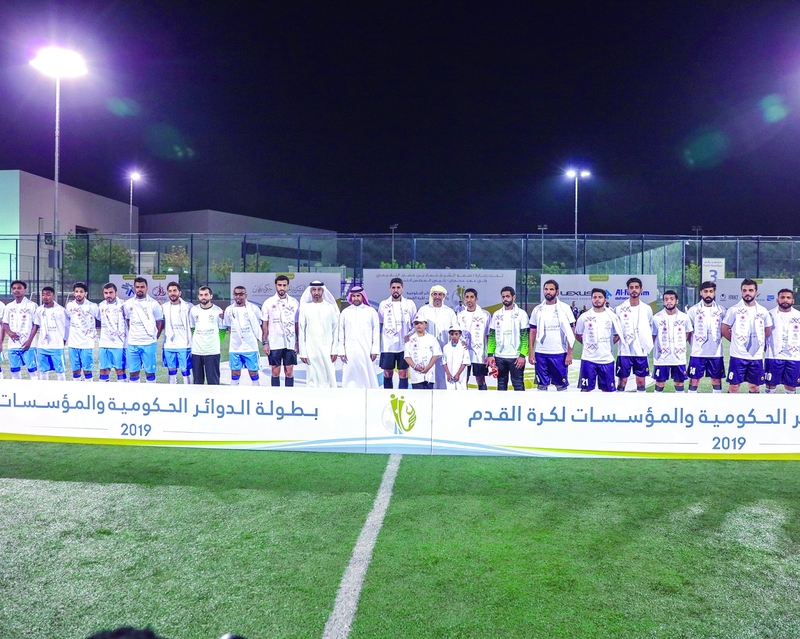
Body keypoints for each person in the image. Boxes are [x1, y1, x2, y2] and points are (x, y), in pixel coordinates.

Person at [721, 278, 773, 394]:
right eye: (744, 290)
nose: (747, 293)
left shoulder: (763, 311)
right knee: (734, 386)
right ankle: (729, 406)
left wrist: (758, 341)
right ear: (741, 292)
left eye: (750, 290)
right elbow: (724, 329)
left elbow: (768, 329)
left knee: (754, 387)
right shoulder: (734, 310)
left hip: (756, 356)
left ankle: (753, 406)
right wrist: (736, 341)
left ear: (756, 292)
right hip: (738, 355)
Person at [528, 279, 575, 391]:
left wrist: (569, 353)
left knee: (561, 386)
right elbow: (532, 332)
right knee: (541, 385)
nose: (548, 292)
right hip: (541, 353)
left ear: (557, 291)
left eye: (551, 289)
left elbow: (571, 332)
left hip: (559, 353)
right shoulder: (537, 309)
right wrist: (531, 352)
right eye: (546, 289)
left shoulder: (565, 308)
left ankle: (562, 403)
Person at [575, 288, 623, 392]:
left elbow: (618, 334)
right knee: (586, 391)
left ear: (605, 299)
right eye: (595, 297)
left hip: (606, 359)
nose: (597, 299)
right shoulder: (584, 317)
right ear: (591, 299)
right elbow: (578, 334)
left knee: (608, 392)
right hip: (588, 359)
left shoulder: (612, 317)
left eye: (600, 297)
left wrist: (608, 344)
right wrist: (588, 344)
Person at [614, 277, 653, 392]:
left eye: (636, 287)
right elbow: (616, 331)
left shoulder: (647, 309)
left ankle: (641, 402)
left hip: (640, 350)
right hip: (624, 350)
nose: (634, 290)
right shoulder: (619, 309)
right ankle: (620, 401)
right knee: (622, 381)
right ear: (628, 290)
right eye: (631, 288)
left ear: (641, 290)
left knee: (641, 381)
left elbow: (650, 327)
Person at [686, 281, 726, 393]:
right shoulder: (693, 310)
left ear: (714, 293)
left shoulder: (721, 310)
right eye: (705, 291)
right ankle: (691, 402)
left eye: (711, 291)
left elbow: (725, 329)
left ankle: (716, 402)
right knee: (694, 380)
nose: (708, 294)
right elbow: (688, 331)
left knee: (716, 380)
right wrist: (694, 344)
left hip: (716, 353)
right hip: (697, 353)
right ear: (701, 293)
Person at [486, 286, 529, 391]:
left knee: (518, 384)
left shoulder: (522, 314)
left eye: (508, 296)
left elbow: (525, 337)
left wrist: (522, 355)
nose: (505, 299)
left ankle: (520, 402)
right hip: (499, 356)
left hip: (516, 356)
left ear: (514, 297)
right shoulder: (497, 314)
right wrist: (490, 354)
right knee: (501, 384)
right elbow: (492, 336)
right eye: (503, 297)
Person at [298, 280, 340, 388]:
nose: (316, 292)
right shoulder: (305, 308)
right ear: (310, 291)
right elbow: (301, 331)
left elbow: (336, 330)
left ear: (323, 291)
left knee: (328, 375)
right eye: (314, 290)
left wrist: (334, 350)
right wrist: (303, 352)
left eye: (319, 290)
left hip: (328, 348)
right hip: (311, 348)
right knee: (313, 375)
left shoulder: (330, 307)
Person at [337, 285, 380, 388]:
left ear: (362, 296)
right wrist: (341, 351)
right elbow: (341, 333)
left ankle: (368, 393)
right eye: (353, 296)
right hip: (350, 350)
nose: (356, 298)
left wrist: (374, 350)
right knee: (349, 373)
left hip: (366, 350)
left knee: (367, 374)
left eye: (358, 296)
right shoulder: (345, 312)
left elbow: (376, 333)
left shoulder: (371, 311)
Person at [123, 277, 164, 383]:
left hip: (149, 343)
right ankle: (135, 393)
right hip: (133, 344)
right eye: (137, 287)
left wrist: (154, 337)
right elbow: (128, 321)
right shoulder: (128, 304)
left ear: (147, 288)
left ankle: (150, 393)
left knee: (150, 373)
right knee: (133, 373)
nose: (139, 289)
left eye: (142, 287)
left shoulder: (154, 304)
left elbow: (159, 322)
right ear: (134, 288)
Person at [378, 277, 417, 390]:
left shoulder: (409, 304)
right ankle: (387, 396)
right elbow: (380, 323)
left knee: (403, 373)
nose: (396, 290)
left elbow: (415, 323)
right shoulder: (384, 304)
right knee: (387, 372)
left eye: (398, 287)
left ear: (402, 289)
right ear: (390, 289)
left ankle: (403, 396)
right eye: (393, 287)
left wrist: (410, 335)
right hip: (388, 345)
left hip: (404, 345)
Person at [416, 285, 458, 388]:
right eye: (435, 294)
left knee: (442, 373)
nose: (437, 297)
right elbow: (417, 326)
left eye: (440, 294)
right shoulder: (423, 310)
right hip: (426, 348)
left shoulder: (449, 312)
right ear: (431, 295)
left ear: (444, 296)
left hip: (444, 347)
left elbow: (455, 329)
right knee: (427, 372)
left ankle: (442, 395)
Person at [261, 274, 299, 387]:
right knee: (275, 371)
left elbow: (297, 324)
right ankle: (275, 395)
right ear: (275, 286)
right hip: (274, 342)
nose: (282, 287)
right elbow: (265, 325)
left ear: (288, 286)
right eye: (279, 285)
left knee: (289, 372)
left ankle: (289, 394)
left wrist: (298, 341)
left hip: (290, 342)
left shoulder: (294, 303)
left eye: (284, 285)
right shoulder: (268, 303)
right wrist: (265, 342)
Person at [651, 290, 693, 392]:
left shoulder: (684, 317)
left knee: (679, 383)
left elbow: (688, 333)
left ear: (676, 301)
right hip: (661, 358)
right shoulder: (656, 318)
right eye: (666, 299)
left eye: (671, 299)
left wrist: (680, 346)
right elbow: (653, 335)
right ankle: (656, 402)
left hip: (679, 358)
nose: (669, 301)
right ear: (663, 302)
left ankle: (679, 402)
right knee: (660, 383)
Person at [224, 285, 263, 386]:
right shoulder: (229, 310)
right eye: (236, 294)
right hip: (235, 348)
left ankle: (257, 393)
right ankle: (234, 393)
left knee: (253, 373)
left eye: (241, 294)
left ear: (246, 295)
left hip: (250, 347)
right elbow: (228, 327)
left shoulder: (254, 309)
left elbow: (258, 325)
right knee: (235, 373)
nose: (238, 297)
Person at [764, 288, 800, 394]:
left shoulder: (798, 315)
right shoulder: (769, 315)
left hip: (794, 356)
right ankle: (768, 404)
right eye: (782, 297)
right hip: (773, 356)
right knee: (770, 386)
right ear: (777, 300)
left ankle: (788, 405)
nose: (785, 300)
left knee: (791, 386)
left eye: (788, 297)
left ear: (793, 300)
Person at [2, 280, 38, 380]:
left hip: (28, 344)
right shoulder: (9, 306)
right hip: (13, 345)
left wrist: (29, 341)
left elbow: (36, 325)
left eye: (19, 288)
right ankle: (17, 389)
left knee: (33, 371)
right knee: (14, 371)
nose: (16, 290)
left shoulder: (32, 305)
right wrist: (10, 333)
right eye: (14, 288)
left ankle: (35, 389)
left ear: (25, 290)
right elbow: (5, 323)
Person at [457, 288, 491, 390]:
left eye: (472, 297)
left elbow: (489, 335)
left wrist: (489, 354)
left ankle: (483, 398)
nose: (469, 300)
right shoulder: (460, 315)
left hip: (479, 354)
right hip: (463, 353)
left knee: (480, 379)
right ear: (464, 299)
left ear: (476, 299)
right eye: (467, 297)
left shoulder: (485, 315)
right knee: (464, 379)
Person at [32, 286, 68, 380]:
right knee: (43, 371)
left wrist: (63, 341)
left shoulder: (61, 310)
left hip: (56, 346)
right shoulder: (39, 309)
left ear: (53, 296)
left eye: (48, 295)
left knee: (60, 371)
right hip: (42, 345)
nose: (45, 297)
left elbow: (67, 327)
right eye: (43, 295)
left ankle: (63, 388)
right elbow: (36, 325)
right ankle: (44, 388)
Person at [189, 286, 224, 385]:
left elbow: (222, 330)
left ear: (211, 296)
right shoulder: (194, 310)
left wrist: (215, 342)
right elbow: (192, 328)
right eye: (201, 295)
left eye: (206, 294)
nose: (203, 297)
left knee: (213, 382)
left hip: (212, 351)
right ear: (198, 296)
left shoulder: (218, 311)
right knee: (197, 382)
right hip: (197, 351)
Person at [66, 281, 99, 381]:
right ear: (73, 293)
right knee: (75, 371)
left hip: (86, 344)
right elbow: (67, 321)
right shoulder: (69, 306)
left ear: (86, 293)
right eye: (76, 291)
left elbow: (101, 318)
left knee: (87, 371)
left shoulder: (92, 306)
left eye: (81, 291)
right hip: (73, 344)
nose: (78, 294)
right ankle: (77, 389)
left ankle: (89, 389)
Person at [162, 281, 193, 384]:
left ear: (180, 292)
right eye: (170, 291)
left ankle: (188, 391)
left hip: (184, 345)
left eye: (174, 290)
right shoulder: (164, 307)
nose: (172, 293)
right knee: (171, 372)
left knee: (185, 371)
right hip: (169, 345)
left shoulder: (188, 307)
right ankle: (172, 391)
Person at [97, 283, 128, 382]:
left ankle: (122, 391)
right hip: (104, 343)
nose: (108, 295)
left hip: (120, 344)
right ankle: (105, 391)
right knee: (103, 371)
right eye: (106, 293)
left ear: (116, 292)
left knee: (120, 371)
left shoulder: (124, 305)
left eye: (111, 292)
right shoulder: (100, 306)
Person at [404, 314, 441, 389]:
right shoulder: (410, 340)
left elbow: (436, 354)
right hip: (416, 375)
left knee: (429, 395)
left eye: (421, 323)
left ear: (426, 325)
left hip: (429, 374)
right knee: (418, 395)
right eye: (416, 323)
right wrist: (415, 367)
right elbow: (407, 356)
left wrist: (428, 367)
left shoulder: (431, 338)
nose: (418, 325)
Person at [442, 324, 470, 390]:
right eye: (452, 334)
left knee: (461, 390)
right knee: (450, 391)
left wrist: (458, 374)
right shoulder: (446, 347)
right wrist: (448, 374)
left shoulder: (463, 347)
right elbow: (444, 362)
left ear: (460, 334)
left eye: (456, 334)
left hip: (460, 376)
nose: (454, 336)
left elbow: (465, 362)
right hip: (450, 376)